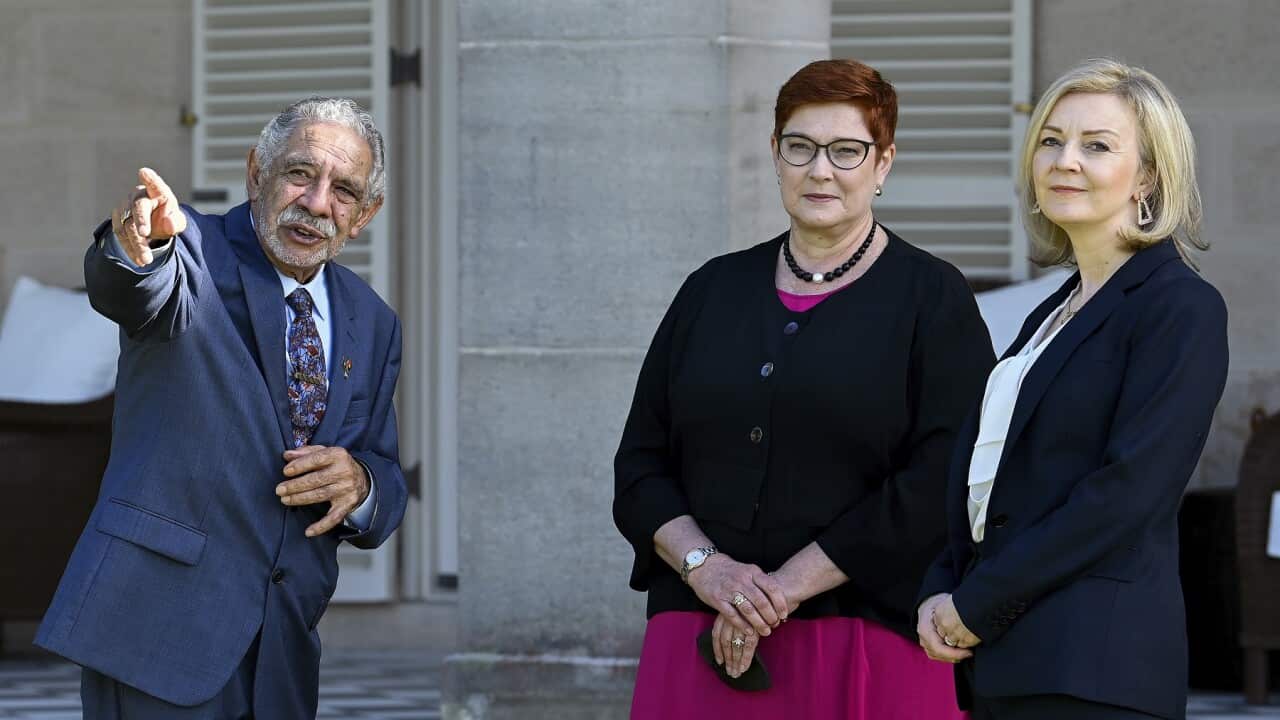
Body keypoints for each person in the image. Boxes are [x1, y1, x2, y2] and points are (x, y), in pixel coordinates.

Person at [614, 58, 995, 719]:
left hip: (867, 641)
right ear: (775, 154)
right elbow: (640, 467)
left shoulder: (933, 298)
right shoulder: (711, 290)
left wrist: (779, 591)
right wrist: (709, 570)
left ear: (884, 164)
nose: (821, 170)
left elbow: (941, 479)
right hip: (696, 634)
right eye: (801, 147)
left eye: (847, 151)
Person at [36, 97, 407, 719]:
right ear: (256, 170)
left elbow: (386, 472)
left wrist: (362, 482)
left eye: (343, 190)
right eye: (299, 174)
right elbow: (133, 284)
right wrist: (138, 247)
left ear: (364, 215)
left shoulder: (374, 320)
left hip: (283, 655)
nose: (317, 203)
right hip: (156, 632)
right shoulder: (191, 249)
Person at [916, 59, 1228, 720]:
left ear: (1147, 175)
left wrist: (974, 603)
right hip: (1010, 664)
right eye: (1052, 140)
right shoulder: (1052, 313)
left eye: (1097, 145)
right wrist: (941, 584)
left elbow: (1125, 495)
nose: (1065, 159)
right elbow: (992, 477)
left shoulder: (1180, 307)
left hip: (1094, 670)